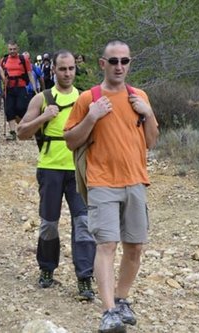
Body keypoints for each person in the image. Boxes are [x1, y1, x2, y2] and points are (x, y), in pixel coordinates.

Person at [63, 40, 159, 333]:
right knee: (106, 245)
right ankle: (108, 311)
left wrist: (148, 113)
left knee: (135, 247)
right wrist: (92, 116)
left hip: (135, 181)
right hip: (102, 182)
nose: (120, 66)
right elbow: (70, 141)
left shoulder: (138, 96)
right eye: (113, 61)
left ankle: (121, 299)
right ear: (102, 64)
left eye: (125, 61)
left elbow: (151, 141)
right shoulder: (88, 99)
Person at [17, 50, 96, 301]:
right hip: (50, 168)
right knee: (49, 223)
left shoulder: (85, 98)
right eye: (63, 69)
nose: (68, 73)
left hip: (78, 170)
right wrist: (44, 116)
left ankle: (85, 277)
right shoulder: (42, 98)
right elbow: (21, 132)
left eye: (71, 68)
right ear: (54, 70)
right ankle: (47, 269)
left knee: (83, 223)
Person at [0, 40, 36, 141]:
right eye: (10, 49)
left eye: (14, 49)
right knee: (9, 110)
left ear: (18, 48)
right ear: (8, 49)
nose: (12, 51)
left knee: (21, 108)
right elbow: (2, 74)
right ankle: (12, 132)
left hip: (21, 87)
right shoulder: (4, 60)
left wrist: (34, 87)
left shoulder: (24, 59)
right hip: (9, 87)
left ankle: (26, 129)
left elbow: (29, 73)